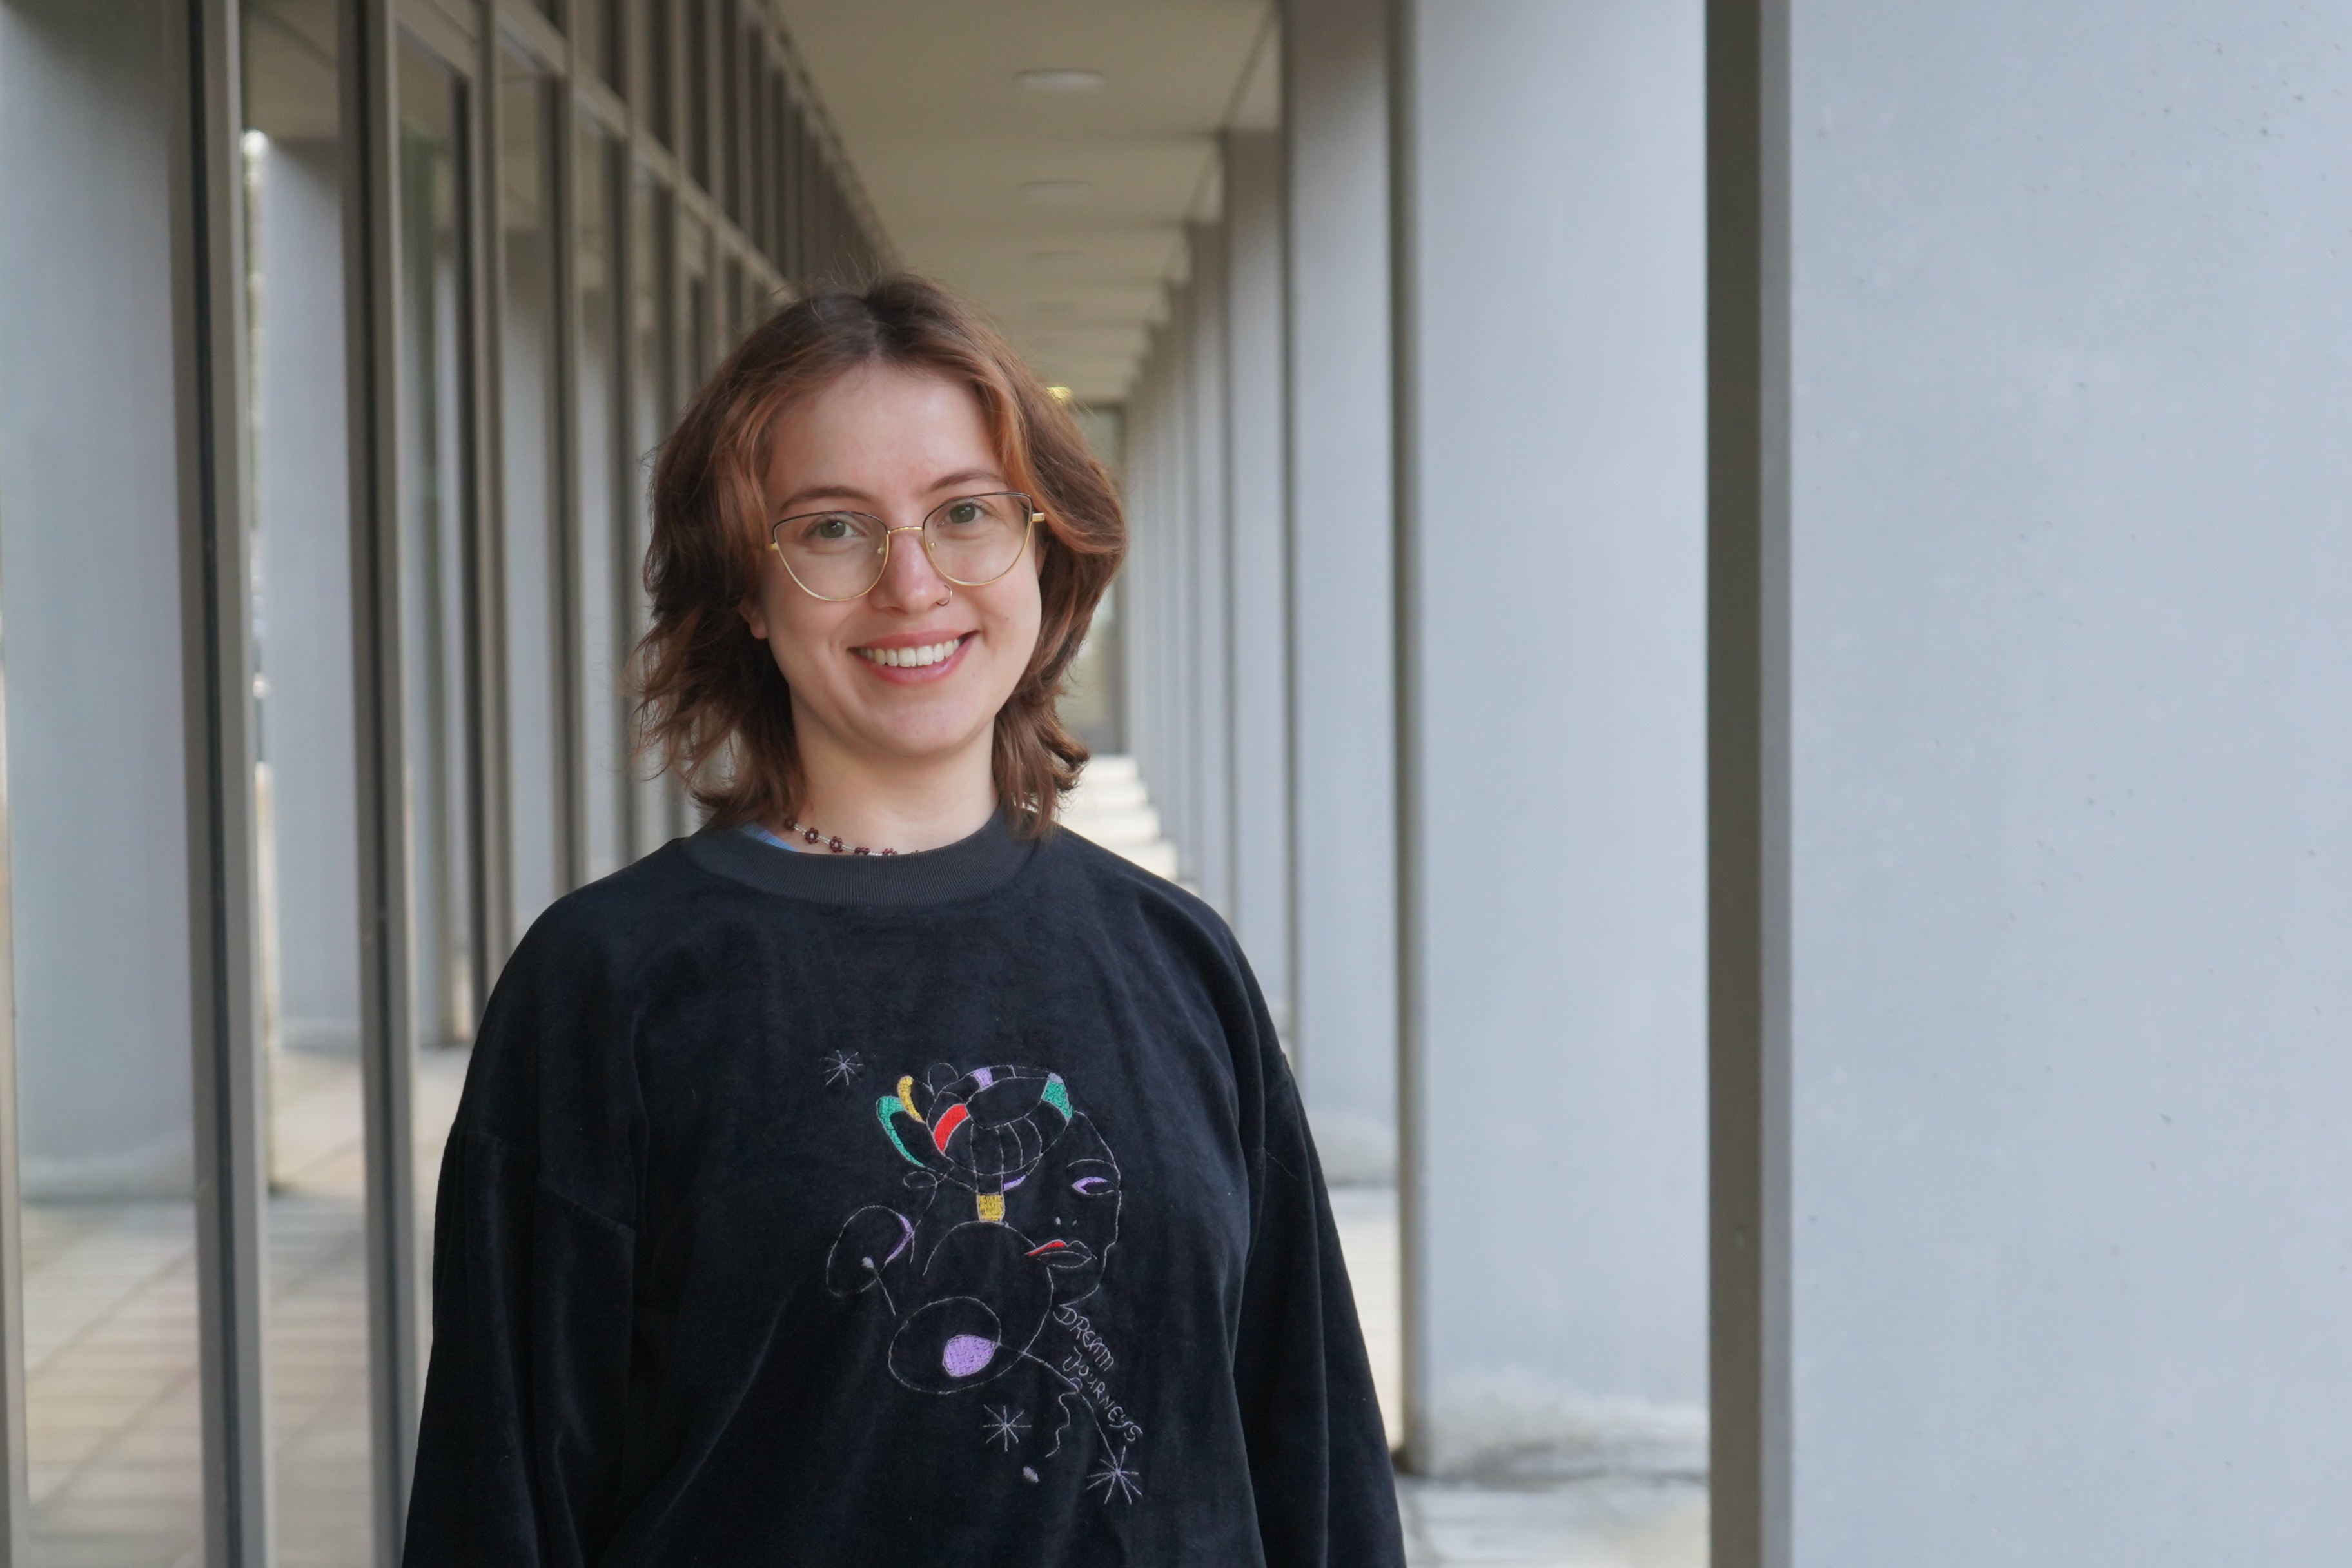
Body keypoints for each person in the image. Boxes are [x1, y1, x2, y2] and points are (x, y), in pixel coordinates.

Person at [402, 275, 1404, 1566]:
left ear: (1044, 548)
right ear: (746, 589)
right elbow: (498, 1491)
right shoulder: (614, 982)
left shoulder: (1178, 960)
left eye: (966, 512)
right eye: (833, 529)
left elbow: (1311, 1446)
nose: (912, 583)